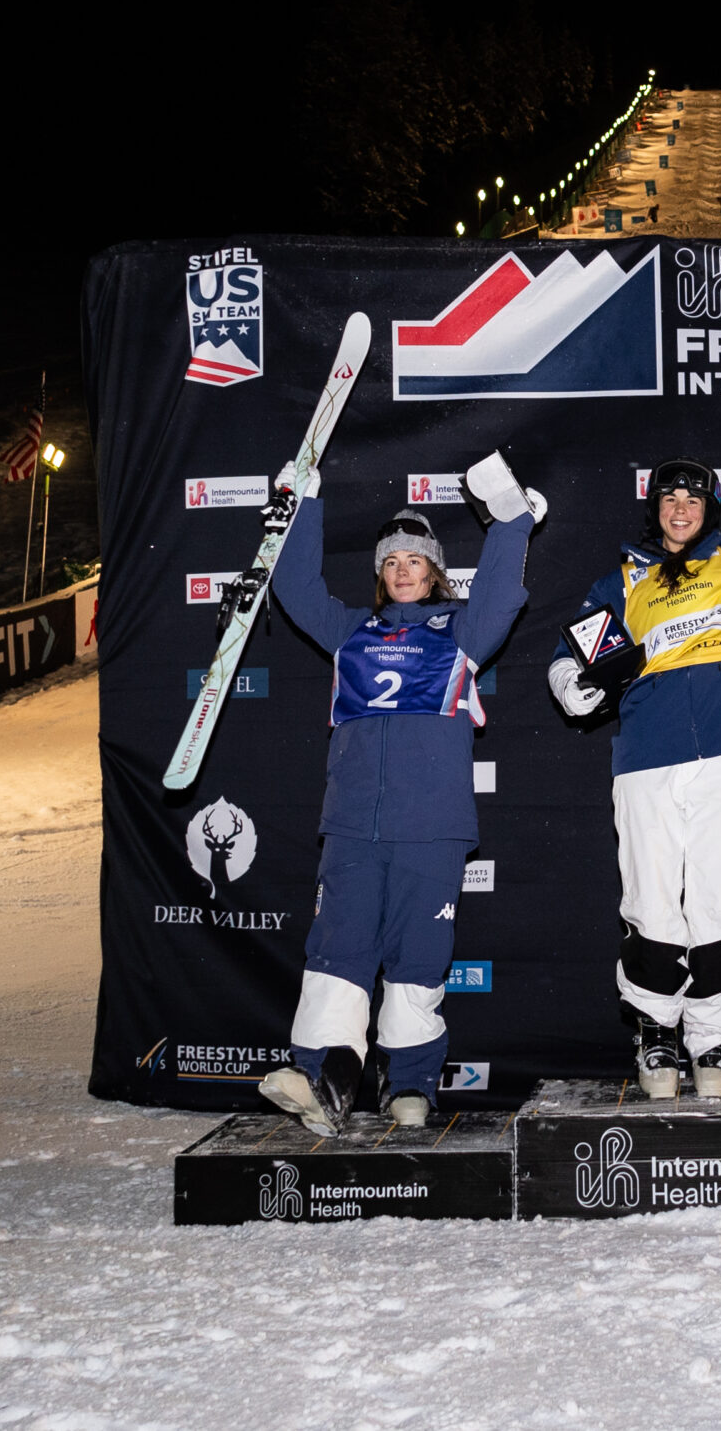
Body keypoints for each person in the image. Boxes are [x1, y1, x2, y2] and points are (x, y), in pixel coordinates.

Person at [256, 452, 540, 1134]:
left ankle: (407, 1080)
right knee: (339, 947)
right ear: (380, 575)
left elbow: (502, 596)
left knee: (419, 956)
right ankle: (322, 1073)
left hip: (432, 827)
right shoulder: (350, 631)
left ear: (434, 570)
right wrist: (303, 504)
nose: (403, 569)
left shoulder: (460, 633)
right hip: (353, 825)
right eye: (391, 562)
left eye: (414, 559)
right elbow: (295, 589)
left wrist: (511, 524)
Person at [546, 363, 721, 1099]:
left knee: (717, 903)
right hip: (645, 756)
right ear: (653, 508)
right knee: (652, 902)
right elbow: (568, 658)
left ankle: (716, 1038)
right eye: (669, 495)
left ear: (709, 507)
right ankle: (658, 1035)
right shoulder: (623, 578)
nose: (680, 505)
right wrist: (575, 689)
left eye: (693, 495)